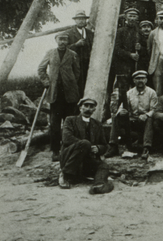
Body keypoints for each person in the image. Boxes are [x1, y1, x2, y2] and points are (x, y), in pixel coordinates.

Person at [38, 32, 80, 162]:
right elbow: (41, 69)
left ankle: (68, 149)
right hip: (55, 94)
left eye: (65, 40)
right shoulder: (50, 53)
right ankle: (55, 151)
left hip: (70, 95)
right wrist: (46, 81)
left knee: (70, 122)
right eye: (60, 39)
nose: (63, 42)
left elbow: (77, 71)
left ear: (68, 41)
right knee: (55, 124)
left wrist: (70, 83)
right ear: (56, 40)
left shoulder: (72, 54)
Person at [59, 97, 114, 194]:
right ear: (80, 108)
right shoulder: (70, 120)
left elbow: (105, 145)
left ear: (94, 110)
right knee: (85, 143)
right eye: (86, 106)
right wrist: (87, 146)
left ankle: (98, 184)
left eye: (91, 106)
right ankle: (65, 174)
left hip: (87, 161)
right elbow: (66, 139)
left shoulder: (97, 124)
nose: (88, 109)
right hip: (70, 159)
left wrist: (98, 148)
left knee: (103, 165)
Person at [107, 70, 158, 159]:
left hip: (144, 121)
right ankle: (113, 146)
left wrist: (146, 115)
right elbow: (122, 106)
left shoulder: (152, 92)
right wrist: (121, 112)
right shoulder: (129, 93)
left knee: (150, 119)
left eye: (142, 78)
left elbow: (154, 109)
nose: (140, 81)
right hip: (132, 120)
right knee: (116, 117)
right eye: (137, 79)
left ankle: (146, 148)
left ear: (146, 80)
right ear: (134, 80)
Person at [110, 7, 140, 107]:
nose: (132, 18)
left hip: (135, 66)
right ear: (126, 17)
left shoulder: (139, 31)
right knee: (123, 91)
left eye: (134, 16)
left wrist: (140, 48)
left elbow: (146, 48)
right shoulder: (120, 31)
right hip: (122, 66)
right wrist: (130, 55)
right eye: (130, 16)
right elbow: (116, 49)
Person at [66, 10, 94, 96]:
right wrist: (76, 45)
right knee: (75, 87)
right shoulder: (69, 33)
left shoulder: (90, 33)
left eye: (83, 19)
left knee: (86, 85)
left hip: (87, 65)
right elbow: (64, 48)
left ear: (86, 20)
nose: (81, 21)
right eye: (79, 19)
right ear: (75, 20)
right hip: (75, 65)